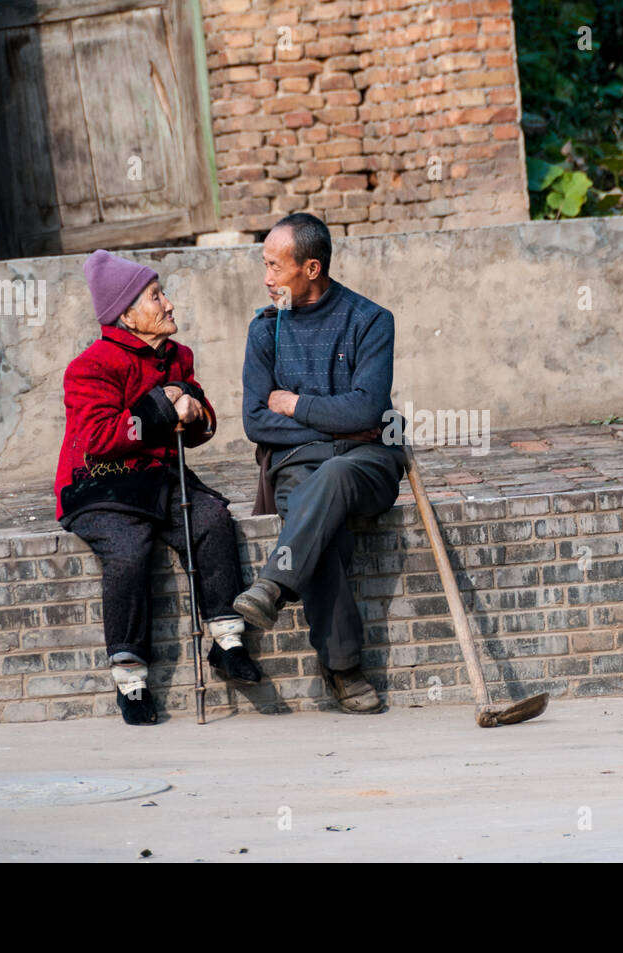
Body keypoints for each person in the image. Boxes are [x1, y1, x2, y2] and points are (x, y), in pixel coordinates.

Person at [54, 249, 262, 725]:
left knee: (211, 519)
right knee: (129, 548)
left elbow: (202, 425)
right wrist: (162, 409)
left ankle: (227, 642)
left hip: (159, 481)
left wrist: (192, 409)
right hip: (101, 486)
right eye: (155, 297)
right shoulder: (90, 367)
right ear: (126, 315)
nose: (168, 304)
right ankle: (131, 681)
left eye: (163, 293)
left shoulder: (177, 356)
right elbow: (101, 439)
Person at [233, 213, 407, 713]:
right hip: (296, 464)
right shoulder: (264, 332)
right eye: (263, 264)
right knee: (318, 523)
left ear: (311, 268)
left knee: (333, 476)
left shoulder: (371, 321)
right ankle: (344, 668)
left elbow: (367, 409)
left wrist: (295, 404)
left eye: (274, 266)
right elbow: (255, 421)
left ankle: (272, 585)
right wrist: (339, 422)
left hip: (368, 461)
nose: (266, 278)